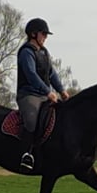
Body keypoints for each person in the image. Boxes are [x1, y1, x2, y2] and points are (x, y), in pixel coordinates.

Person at [16, 17, 70, 170]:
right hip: (29, 95)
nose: (45, 37)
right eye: (43, 34)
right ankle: (27, 154)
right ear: (34, 34)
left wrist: (62, 91)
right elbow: (31, 75)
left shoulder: (44, 52)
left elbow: (51, 74)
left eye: (46, 35)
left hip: (44, 95)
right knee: (32, 120)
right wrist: (48, 92)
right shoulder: (26, 52)